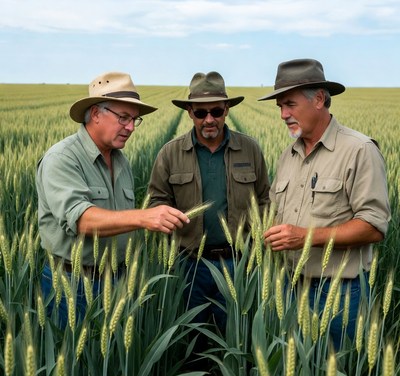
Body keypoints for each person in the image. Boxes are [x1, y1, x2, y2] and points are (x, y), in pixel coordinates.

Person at [36, 71, 189, 326]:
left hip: (117, 283)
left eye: (134, 120)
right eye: (124, 118)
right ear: (96, 114)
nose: (130, 127)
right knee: (75, 363)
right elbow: (81, 220)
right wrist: (144, 217)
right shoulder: (62, 159)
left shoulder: (120, 161)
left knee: (112, 364)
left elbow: (121, 222)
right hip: (71, 284)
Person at [260, 59, 391, 349]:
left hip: (341, 293)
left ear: (319, 99)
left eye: (290, 104)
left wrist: (306, 237)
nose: (283, 114)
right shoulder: (287, 156)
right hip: (290, 289)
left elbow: (374, 226)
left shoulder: (359, 150)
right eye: (280, 106)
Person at [148, 71, 270, 360]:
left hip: (238, 263)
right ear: (190, 112)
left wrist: (259, 244)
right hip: (190, 266)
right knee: (192, 343)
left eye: (216, 111)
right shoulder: (170, 153)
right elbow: (157, 201)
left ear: (226, 110)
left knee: (238, 340)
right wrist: (164, 218)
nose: (209, 119)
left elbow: (265, 198)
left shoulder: (250, 149)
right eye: (201, 112)